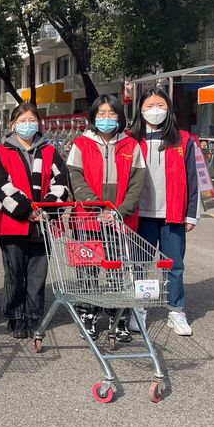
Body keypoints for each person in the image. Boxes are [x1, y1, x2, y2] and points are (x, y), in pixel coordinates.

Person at [66, 94, 146, 342]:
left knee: (118, 273)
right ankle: (87, 316)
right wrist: (97, 206)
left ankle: (118, 318)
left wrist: (119, 211)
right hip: (87, 221)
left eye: (112, 113)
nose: (107, 118)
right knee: (87, 272)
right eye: (101, 113)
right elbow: (75, 179)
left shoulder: (131, 146)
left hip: (119, 222)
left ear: (120, 117)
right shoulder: (81, 144)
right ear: (93, 117)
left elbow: (136, 185)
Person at [0, 102, 69, 338]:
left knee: (37, 274)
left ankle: (34, 316)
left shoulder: (49, 151)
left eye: (32, 120)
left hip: (42, 224)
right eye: (22, 120)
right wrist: (26, 210)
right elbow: (1, 186)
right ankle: (15, 316)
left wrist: (45, 209)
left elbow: (61, 183)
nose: (27, 124)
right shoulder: (1, 151)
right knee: (14, 272)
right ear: (13, 124)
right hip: (12, 224)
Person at [128, 87, 199, 336]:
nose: (155, 110)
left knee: (174, 264)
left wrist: (191, 213)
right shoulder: (130, 139)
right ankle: (139, 309)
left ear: (169, 109)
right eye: (149, 106)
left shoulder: (183, 140)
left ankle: (176, 311)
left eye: (160, 105)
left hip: (173, 215)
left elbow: (193, 179)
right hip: (141, 215)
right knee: (139, 264)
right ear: (140, 110)